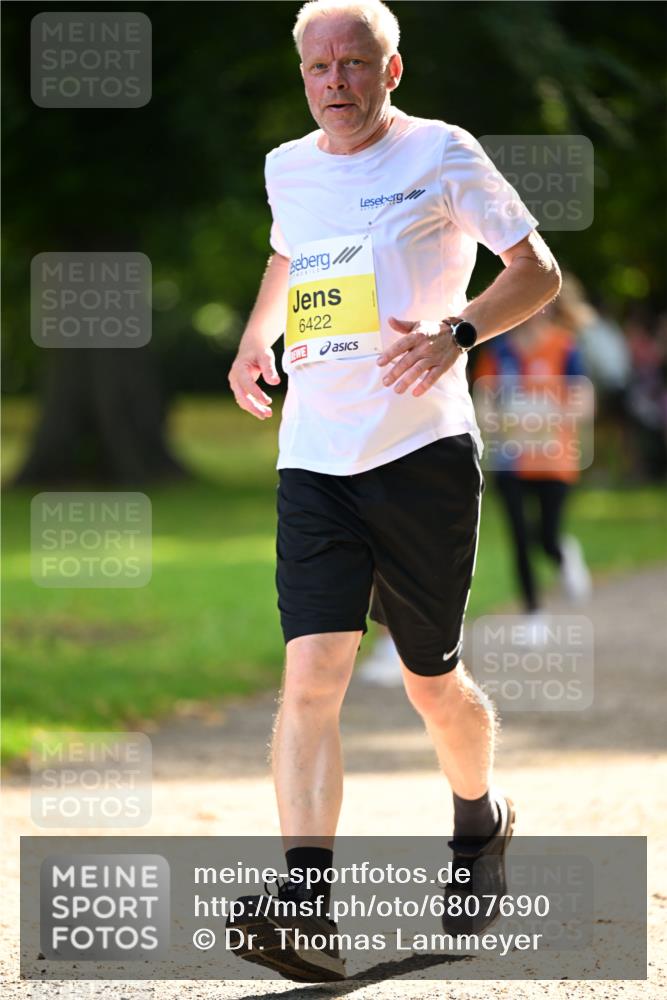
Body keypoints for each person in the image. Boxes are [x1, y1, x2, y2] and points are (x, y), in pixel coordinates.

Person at [226, 0, 561, 982]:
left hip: (420, 456)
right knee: (312, 671)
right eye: (318, 66)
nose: (335, 80)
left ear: (391, 69)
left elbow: (535, 273)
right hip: (314, 457)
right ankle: (307, 907)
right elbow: (289, 252)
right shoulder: (287, 165)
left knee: (428, 680)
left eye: (354, 63)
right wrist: (257, 336)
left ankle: (476, 822)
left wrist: (456, 332)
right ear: (302, 76)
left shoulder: (443, 153)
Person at [474, 311, 593, 633]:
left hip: (554, 459)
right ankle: (533, 615)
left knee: (547, 536)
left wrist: (547, 418)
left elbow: (583, 401)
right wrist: (498, 422)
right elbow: (484, 400)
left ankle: (562, 553)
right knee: (519, 537)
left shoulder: (564, 347)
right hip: (511, 459)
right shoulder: (498, 351)